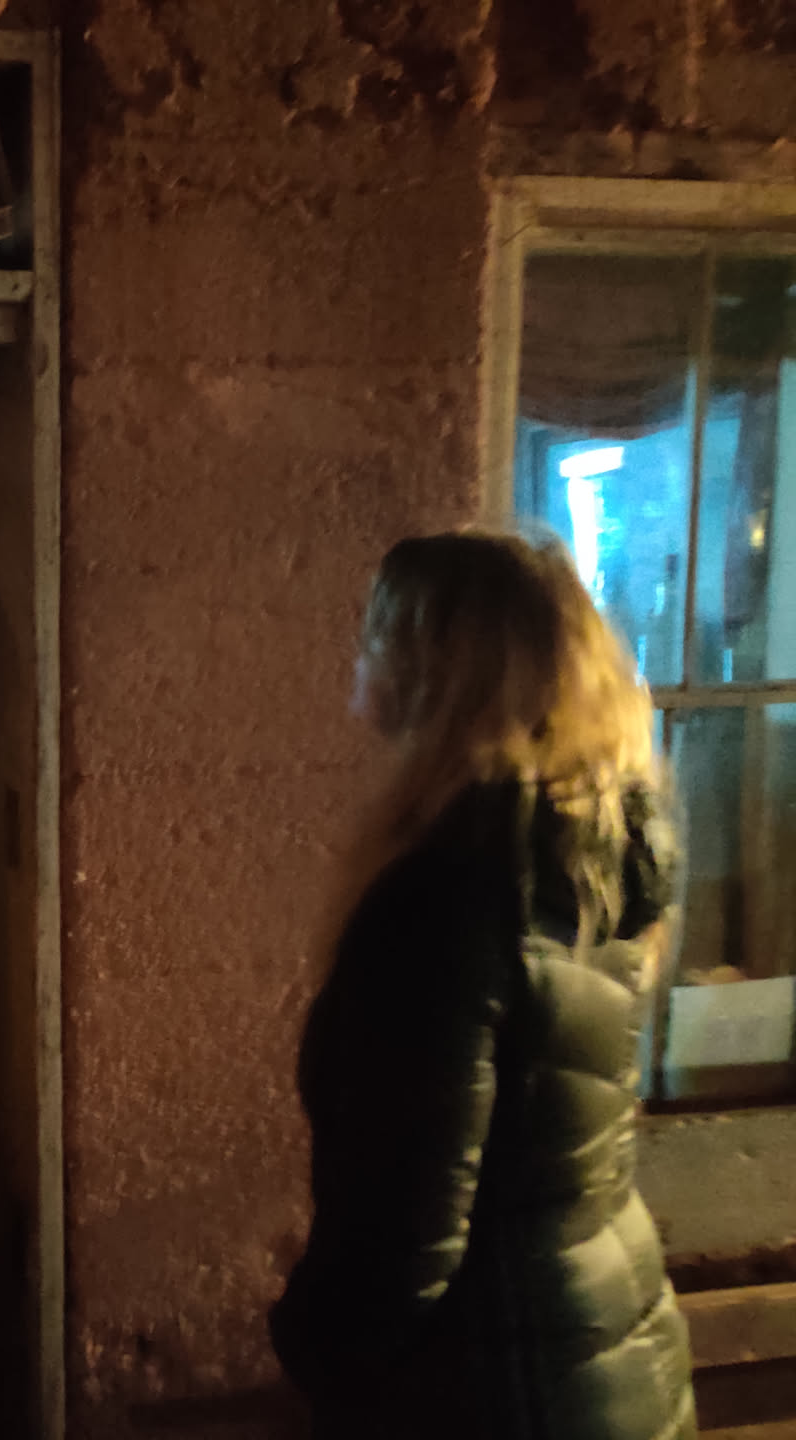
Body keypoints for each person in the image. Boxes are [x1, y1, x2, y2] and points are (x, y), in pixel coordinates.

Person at [270, 530, 696, 1440]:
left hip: (499, 1386)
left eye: (377, 635)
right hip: (604, 1354)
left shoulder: (450, 895)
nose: (359, 660)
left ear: (435, 672)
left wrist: (313, 1347)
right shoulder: (581, 859)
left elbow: (406, 1236)